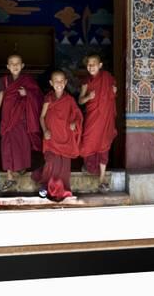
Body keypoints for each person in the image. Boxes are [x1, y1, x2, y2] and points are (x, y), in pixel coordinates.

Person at [0, 54, 43, 191]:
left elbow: (38, 97)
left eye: (17, 63)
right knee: (6, 145)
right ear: (8, 67)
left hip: (22, 119)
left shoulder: (28, 81)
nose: (15, 66)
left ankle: (21, 167)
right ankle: (10, 176)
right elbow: (0, 97)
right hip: (7, 119)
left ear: (22, 65)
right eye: (12, 63)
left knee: (22, 144)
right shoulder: (4, 81)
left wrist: (27, 94)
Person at [33, 70, 83, 201]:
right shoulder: (48, 99)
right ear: (51, 83)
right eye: (56, 81)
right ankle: (45, 184)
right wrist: (45, 131)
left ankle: (61, 189)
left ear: (66, 82)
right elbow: (42, 117)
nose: (59, 83)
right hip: (51, 137)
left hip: (65, 137)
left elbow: (78, 115)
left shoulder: (69, 99)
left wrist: (74, 123)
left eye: (62, 81)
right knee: (50, 162)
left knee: (63, 167)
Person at [78, 54, 117, 193]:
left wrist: (114, 91)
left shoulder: (108, 78)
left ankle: (102, 178)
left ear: (100, 65)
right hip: (92, 118)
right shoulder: (86, 82)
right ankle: (89, 166)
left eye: (94, 64)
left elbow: (112, 95)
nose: (91, 66)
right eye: (88, 64)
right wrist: (88, 96)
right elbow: (80, 100)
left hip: (105, 118)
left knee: (104, 145)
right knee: (87, 141)